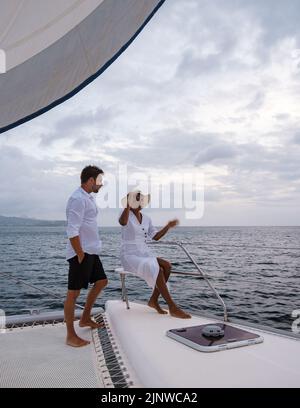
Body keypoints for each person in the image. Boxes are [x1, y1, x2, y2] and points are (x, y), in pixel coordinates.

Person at [119, 191, 191, 319]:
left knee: (167, 266)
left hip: (144, 253)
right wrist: (127, 206)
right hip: (129, 255)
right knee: (157, 268)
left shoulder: (146, 218)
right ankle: (172, 307)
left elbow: (155, 237)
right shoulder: (125, 214)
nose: (140, 202)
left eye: (141, 200)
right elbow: (123, 222)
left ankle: (153, 300)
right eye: (136, 200)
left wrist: (168, 226)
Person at [64, 165, 108, 347]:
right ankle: (70, 336)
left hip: (91, 251)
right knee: (73, 294)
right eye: (99, 181)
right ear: (91, 180)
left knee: (101, 281)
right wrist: (80, 254)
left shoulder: (87, 197)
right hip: (81, 253)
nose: (101, 184)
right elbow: (72, 230)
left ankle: (85, 318)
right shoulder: (77, 199)